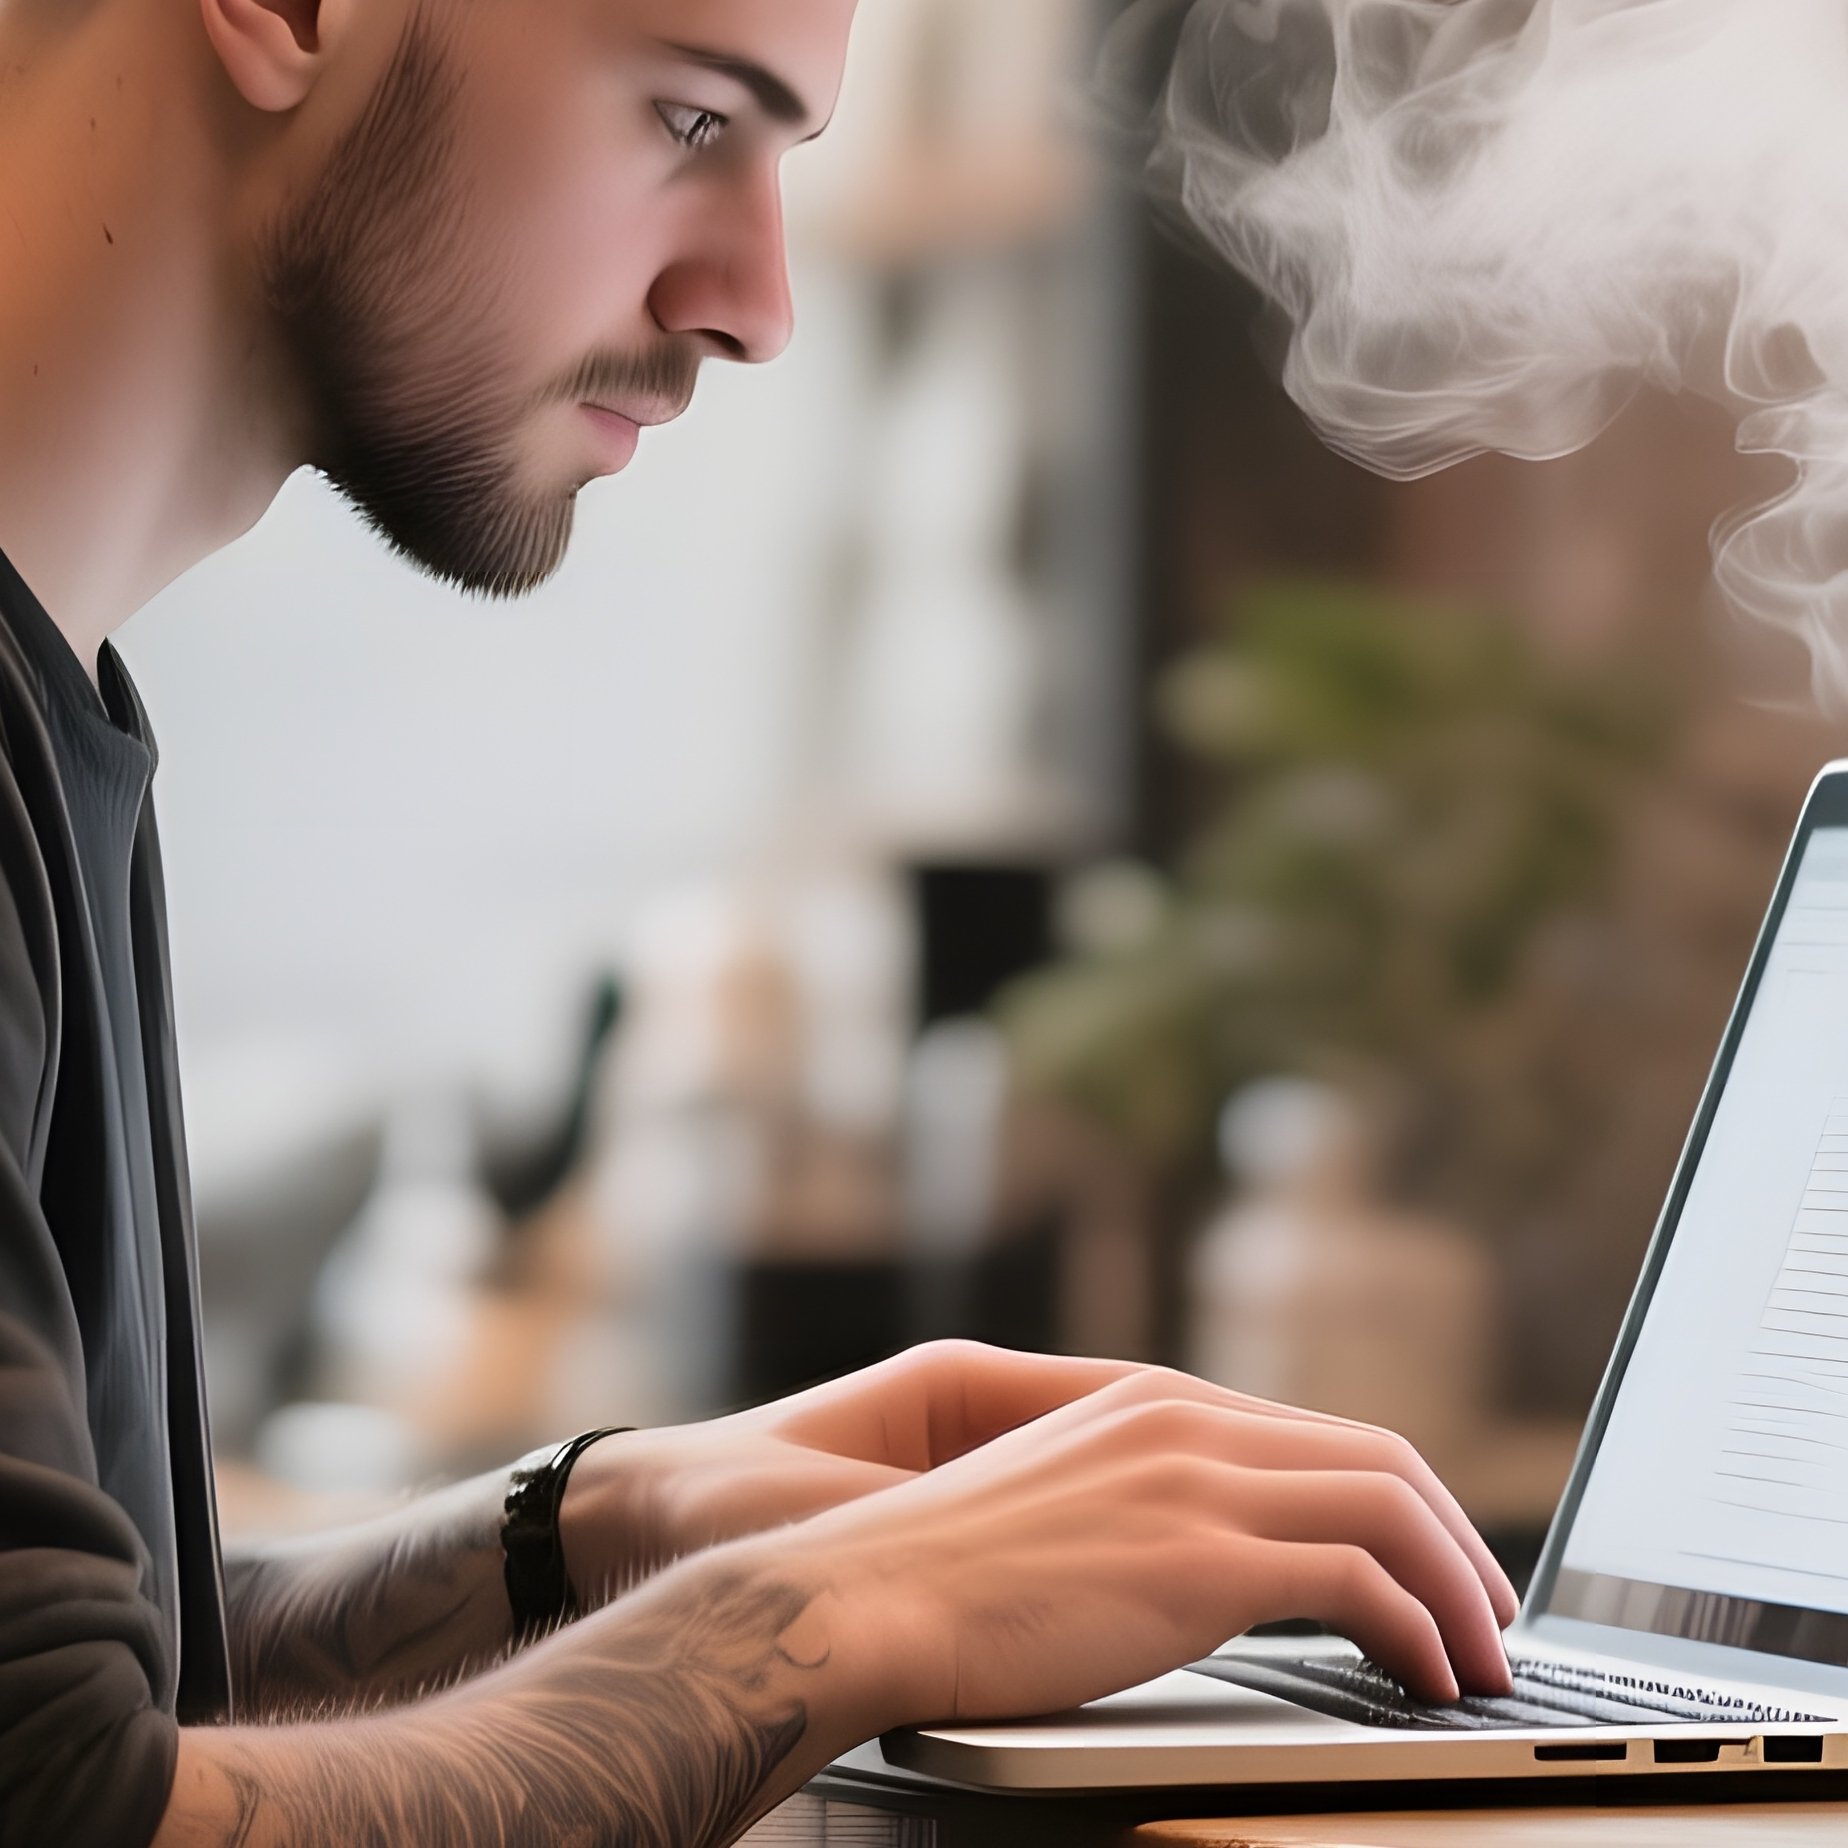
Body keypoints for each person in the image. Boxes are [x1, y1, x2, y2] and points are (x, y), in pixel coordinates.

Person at [0, 1, 1520, 1844]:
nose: (758, 305)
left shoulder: (53, 710)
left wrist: (600, 1523)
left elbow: (113, 1688)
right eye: (689, 119)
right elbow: (74, 1814)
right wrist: (861, 1608)